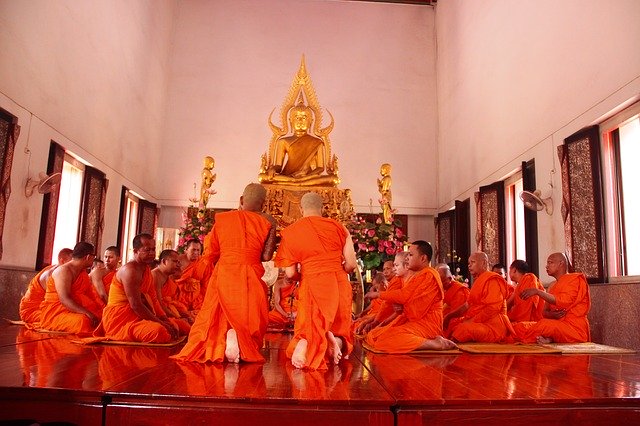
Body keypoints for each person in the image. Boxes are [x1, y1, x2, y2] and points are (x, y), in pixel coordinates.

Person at [173, 183, 277, 363]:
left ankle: (223, 340)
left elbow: (211, 252)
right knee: (251, 312)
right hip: (250, 271)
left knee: (219, 310)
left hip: (225, 271)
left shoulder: (223, 220)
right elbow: (267, 256)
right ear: (263, 204)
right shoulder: (268, 220)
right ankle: (240, 340)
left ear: (242, 200)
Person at [275, 192, 357, 370]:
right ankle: (335, 340)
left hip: (311, 282)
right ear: (323, 208)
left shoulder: (291, 232)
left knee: (310, 326)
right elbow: (351, 263)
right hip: (338, 282)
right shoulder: (340, 227)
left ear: (301, 208)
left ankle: (305, 342)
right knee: (341, 329)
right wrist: (336, 271)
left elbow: (290, 273)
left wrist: (303, 275)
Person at [364, 241, 456, 353]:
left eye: (411, 255)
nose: (407, 258)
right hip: (413, 321)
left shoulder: (429, 275)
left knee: (383, 341)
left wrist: (378, 294)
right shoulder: (418, 276)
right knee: (374, 335)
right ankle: (422, 341)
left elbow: (404, 296)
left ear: (423, 258)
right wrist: (400, 308)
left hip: (428, 325)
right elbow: (408, 300)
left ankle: (433, 343)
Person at [93, 234, 179, 343]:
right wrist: (162, 324)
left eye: (153, 249)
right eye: (147, 250)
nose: (152, 253)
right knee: (159, 331)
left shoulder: (146, 269)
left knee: (175, 326)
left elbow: (154, 300)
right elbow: (136, 305)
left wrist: (165, 320)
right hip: (120, 321)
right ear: (135, 251)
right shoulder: (130, 271)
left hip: (138, 316)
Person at [514, 253, 591, 344]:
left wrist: (538, 292)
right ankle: (549, 338)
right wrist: (552, 315)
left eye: (550, 262)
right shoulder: (552, 286)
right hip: (558, 325)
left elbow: (563, 301)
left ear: (561, 263)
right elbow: (544, 312)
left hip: (574, 329)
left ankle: (532, 339)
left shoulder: (574, 280)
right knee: (520, 326)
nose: (547, 266)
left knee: (544, 325)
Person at [259, 99, 338, 187]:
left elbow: (320, 168)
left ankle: (297, 181)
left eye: (304, 118)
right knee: (262, 177)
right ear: (290, 121)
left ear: (310, 122)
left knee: (334, 179)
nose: (300, 121)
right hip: (287, 176)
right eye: (297, 118)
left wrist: (306, 175)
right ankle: (295, 181)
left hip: (307, 177)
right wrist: (273, 169)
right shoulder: (283, 141)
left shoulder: (317, 142)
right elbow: (278, 166)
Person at [447, 252, 513, 343]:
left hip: (494, 327)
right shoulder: (479, 280)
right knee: (454, 324)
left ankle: (451, 344)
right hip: (481, 323)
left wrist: (472, 321)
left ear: (484, 263)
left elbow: (492, 308)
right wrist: (449, 316)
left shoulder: (492, 280)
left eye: (473, 262)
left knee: (464, 328)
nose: (469, 266)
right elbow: (468, 305)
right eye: (469, 264)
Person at [38, 242, 103, 334]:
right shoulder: (63, 271)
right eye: (94, 257)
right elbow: (64, 299)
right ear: (88, 257)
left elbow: (91, 294)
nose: (94, 260)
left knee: (102, 317)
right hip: (56, 313)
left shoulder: (82, 273)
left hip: (74, 308)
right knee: (84, 321)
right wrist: (87, 313)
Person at [358, 252, 411, 335]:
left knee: (377, 336)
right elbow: (390, 308)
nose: (393, 269)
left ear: (407, 265)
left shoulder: (399, 281)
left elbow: (399, 305)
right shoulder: (397, 281)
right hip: (391, 319)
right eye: (384, 269)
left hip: (411, 324)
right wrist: (375, 322)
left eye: (395, 266)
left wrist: (377, 323)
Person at [19, 248, 73, 326]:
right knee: (65, 320)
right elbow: (56, 300)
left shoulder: (63, 272)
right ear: (62, 261)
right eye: (71, 263)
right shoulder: (50, 274)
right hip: (32, 311)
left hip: (47, 309)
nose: (73, 266)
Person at [151, 249, 191, 335]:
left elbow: (171, 301)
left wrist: (183, 315)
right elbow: (157, 303)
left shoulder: (167, 276)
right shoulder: (155, 275)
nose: (178, 265)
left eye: (178, 262)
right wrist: (175, 316)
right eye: (175, 261)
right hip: (158, 314)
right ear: (164, 261)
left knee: (192, 320)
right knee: (186, 327)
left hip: (168, 310)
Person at [436, 263, 470, 338]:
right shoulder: (442, 289)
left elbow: (458, 318)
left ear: (450, 278)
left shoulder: (459, 291)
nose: (440, 285)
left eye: (442, 281)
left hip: (451, 327)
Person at [175, 239, 205, 312]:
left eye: (198, 250)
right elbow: (171, 279)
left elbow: (206, 283)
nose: (196, 252)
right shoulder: (178, 260)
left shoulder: (203, 262)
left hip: (197, 298)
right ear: (186, 250)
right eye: (193, 250)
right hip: (179, 296)